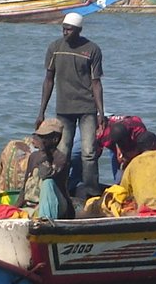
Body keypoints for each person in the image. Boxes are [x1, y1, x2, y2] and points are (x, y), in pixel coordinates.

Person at [36, 12, 105, 197]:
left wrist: (101, 113)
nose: (65, 32)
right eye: (63, 29)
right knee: (62, 151)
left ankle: (91, 190)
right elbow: (48, 80)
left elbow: (96, 83)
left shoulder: (92, 49)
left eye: (69, 29)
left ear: (79, 30)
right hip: (64, 109)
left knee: (89, 152)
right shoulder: (55, 48)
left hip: (86, 108)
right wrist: (41, 111)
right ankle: (61, 189)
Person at [17, 118, 73, 219]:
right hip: (34, 206)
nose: (38, 139)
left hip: (57, 206)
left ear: (55, 139)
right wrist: (14, 209)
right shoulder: (34, 156)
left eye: (43, 137)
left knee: (48, 183)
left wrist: (43, 152)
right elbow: (24, 189)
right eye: (38, 135)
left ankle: (45, 222)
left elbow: (46, 174)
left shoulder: (61, 159)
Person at [95, 114, 147, 183]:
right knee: (118, 171)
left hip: (133, 137)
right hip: (117, 135)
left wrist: (126, 157)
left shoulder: (138, 130)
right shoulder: (102, 134)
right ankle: (118, 183)